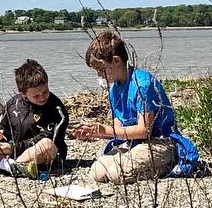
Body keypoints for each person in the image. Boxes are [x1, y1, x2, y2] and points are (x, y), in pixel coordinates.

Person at [71, 30, 201, 184]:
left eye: (101, 69)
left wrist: (104, 130)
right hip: (134, 143)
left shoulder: (142, 84)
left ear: (116, 61)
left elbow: (144, 130)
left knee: (116, 174)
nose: (99, 75)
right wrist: (94, 132)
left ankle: (170, 160)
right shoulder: (114, 89)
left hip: (159, 141)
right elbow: (118, 129)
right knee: (98, 172)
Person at [0, 59, 70, 179]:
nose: (42, 97)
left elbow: (50, 139)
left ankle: (1, 165)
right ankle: (12, 167)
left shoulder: (56, 109)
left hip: (42, 154)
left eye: (45, 91)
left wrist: (12, 148)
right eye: (36, 95)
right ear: (23, 93)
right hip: (12, 151)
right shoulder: (12, 104)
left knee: (46, 145)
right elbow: (2, 127)